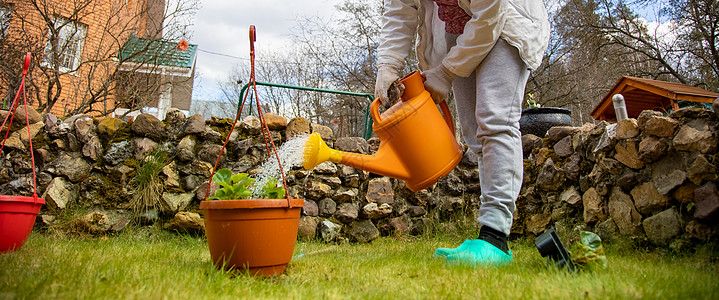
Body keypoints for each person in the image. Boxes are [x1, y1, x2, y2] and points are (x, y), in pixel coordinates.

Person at [374, 0, 549, 265]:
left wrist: (446, 73)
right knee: (475, 134)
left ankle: (495, 238)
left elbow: (491, 14)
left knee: (495, 121)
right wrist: (388, 65)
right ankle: (488, 238)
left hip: (505, 22)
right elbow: (401, 9)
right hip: (460, 32)